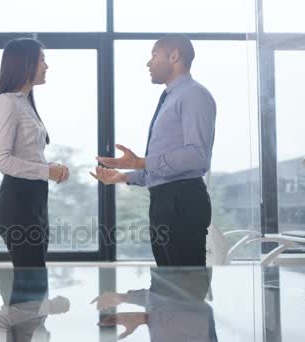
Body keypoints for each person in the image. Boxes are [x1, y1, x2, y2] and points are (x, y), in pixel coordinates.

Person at [91, 34, 216, 266]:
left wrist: (140, 162)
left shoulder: (193, 94)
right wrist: (124, 176)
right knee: (167, 287)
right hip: (164, 201)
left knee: (185, 290)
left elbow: (197, 157)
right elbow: (163, 165)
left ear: (174, 56)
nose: (149, 63)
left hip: (182, 201)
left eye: (154, 55)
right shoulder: (171, 97)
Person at [0, 38, 70, 267]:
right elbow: (1, 160)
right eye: (42, 60)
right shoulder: (7, 103)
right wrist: (46, 171)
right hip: (18, 203)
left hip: (34, 201)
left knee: (34, 281)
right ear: (25, 63)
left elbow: (27, 154)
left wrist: (52, 169)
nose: (46, 66)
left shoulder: (24, 103)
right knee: (30, 285)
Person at [91, 267, 217, 341]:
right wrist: (145, 318)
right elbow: (201, 318)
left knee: (161, 231)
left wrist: (126, 298)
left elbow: (162, 304)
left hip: (167, 283)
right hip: (187, 279)